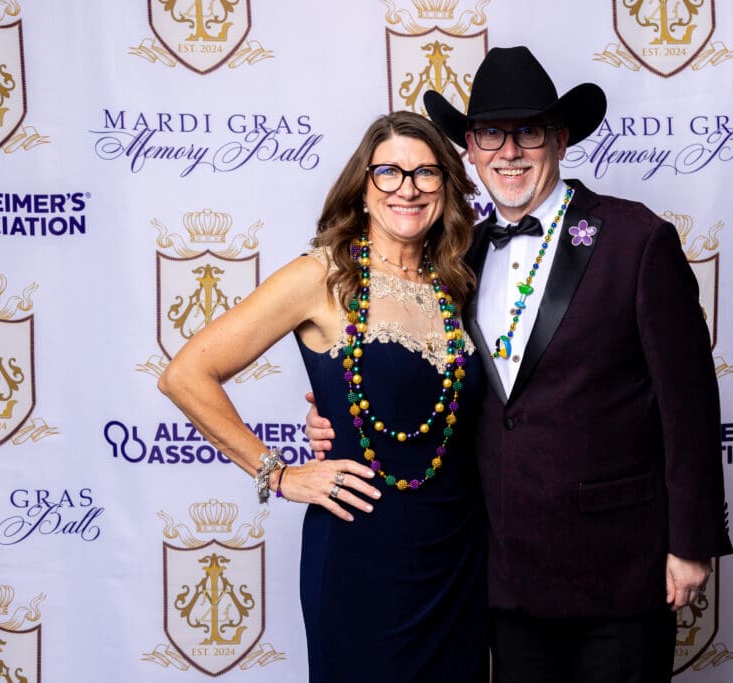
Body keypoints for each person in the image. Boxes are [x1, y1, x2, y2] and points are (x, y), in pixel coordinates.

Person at [307, 46, 733, 682]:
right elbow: (427, 381)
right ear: (470, 152)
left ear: (559, 138)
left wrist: (691, 543)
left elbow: (690, 404)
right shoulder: (458, 260)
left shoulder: (634, 240)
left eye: (528, 131)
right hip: (501, 576)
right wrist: (333, 418)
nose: (509, 152)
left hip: (618, 572)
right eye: (489, 134)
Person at [158, 110, 488, 682]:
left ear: (447, 189)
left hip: (458, 555)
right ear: (361, 188)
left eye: (426, 174)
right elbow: (186, 374)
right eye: (388, 172)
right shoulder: (323, 275)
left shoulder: (457, 278)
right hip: (363, 555)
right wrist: (280, 475)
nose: (407, 189)